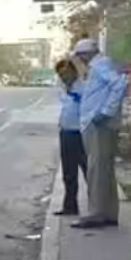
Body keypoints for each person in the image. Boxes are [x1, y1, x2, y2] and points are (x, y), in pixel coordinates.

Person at [71, 38, 129, 229]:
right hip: (98, 124)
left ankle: (96, 213)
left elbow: (120, 84)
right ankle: (108, 212)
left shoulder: (99, 66)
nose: (80, 60)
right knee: (104, 169)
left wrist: (106, 112)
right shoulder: (99, 66)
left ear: (86, 54)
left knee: (96, 169)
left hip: (98, 125)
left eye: (80, 56)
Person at [55, 58, 88, 216]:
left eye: (66, 73)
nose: (64, 77)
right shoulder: (63, 90)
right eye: (61, 75)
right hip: (66, 133)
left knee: (88, 170)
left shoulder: (84, 88)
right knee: (68, 173)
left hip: (81, 134)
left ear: (74, 72)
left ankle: (96, 207)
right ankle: (70, 206)